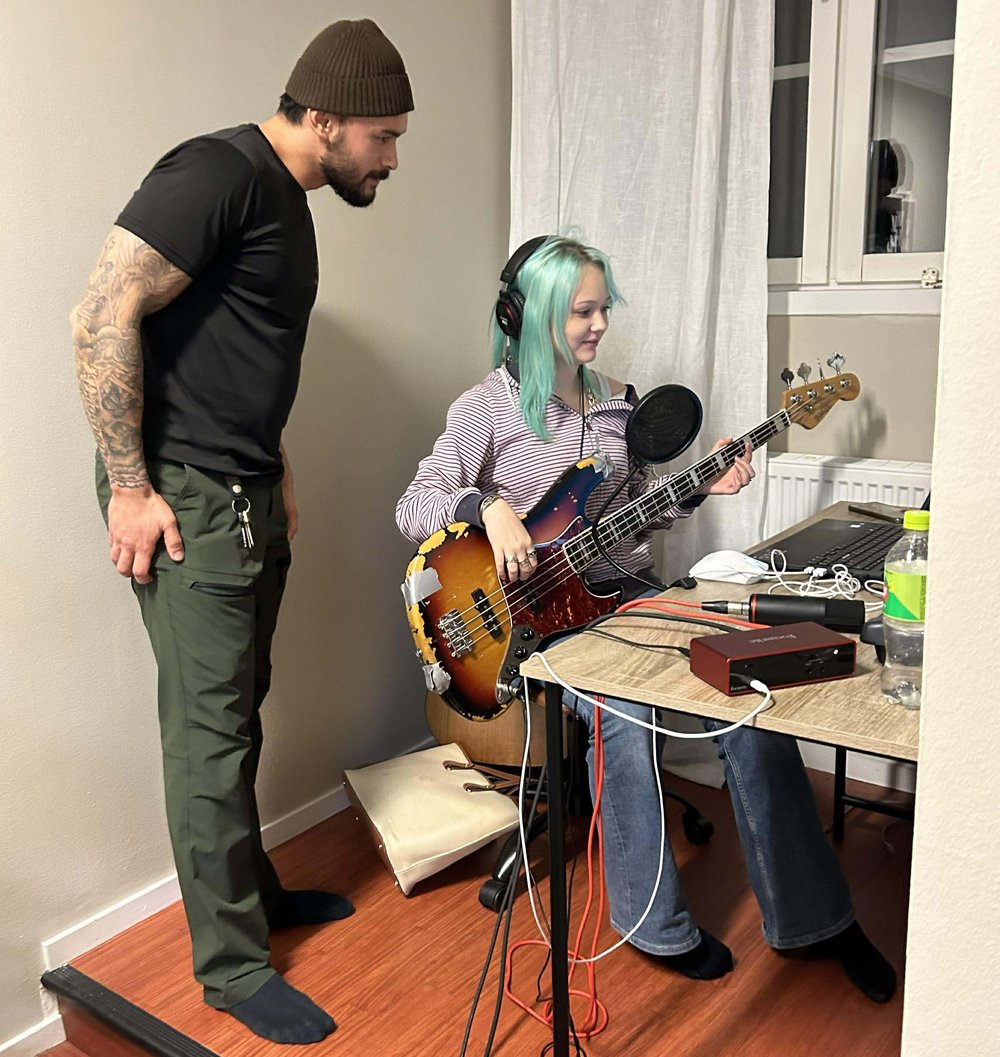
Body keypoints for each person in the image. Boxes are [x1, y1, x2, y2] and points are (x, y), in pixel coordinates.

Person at [395, 235, 897, 1003]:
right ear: (528, 316)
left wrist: (697, 488)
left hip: (624, 593)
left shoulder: (619, 403)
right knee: (620, 709)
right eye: (582, 311)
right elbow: (414, 505)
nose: (599, 324)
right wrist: (485, 506)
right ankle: (650, 923)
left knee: (750, 684)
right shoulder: (484, 410)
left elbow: (629, 518)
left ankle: (814, 917)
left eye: (604, 308)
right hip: (536, 622)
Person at [71, 19, 413, 1045]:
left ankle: (251, 894)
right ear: (325, 120)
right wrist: (131, 487)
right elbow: (100, 315)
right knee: (208, 733)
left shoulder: (286, 198)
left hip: (246, 489)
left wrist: (277, 467)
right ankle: (230, 966)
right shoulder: (216, 171)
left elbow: (234, 354)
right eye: (384, 138)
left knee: (241, 709)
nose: (391, 160)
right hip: (183, 497)